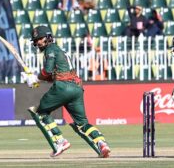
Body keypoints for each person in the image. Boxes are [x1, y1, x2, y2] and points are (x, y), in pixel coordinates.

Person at [23, 25, 111, 158]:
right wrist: (36, 80)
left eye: (39, 39)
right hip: (76, 88)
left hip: (63, 87)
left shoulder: (50, 49)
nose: (37, 43)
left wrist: (34, 77)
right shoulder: (59, 50)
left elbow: (47, 71)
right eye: (35, 41)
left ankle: (60, 141)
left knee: (40, 113)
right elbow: (53, 75)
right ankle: (101, 143)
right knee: (82, 123)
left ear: (47, 37)